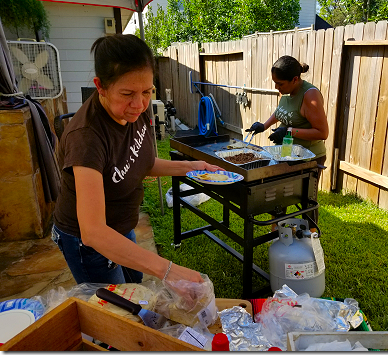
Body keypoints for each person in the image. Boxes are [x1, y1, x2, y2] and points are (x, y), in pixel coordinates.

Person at [52, 34, 223, 287]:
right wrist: (168, 270)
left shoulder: (136, 111)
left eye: (146, 91)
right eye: (127, 93)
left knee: (135, 287)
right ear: (100, 87)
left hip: (122, 226)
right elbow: (93, 231)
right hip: (86, 243)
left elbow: (142, 163)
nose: (139, 104)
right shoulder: (86, 137)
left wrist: (192, 167)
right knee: (118, 311)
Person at [246, 55, 329, 166]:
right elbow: (283, 112)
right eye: (275, 82)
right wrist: (264, 126)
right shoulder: (286, 90)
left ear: (294, 79)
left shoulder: (310, 95)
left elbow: (322, 133)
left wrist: (288, 131)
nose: (276, 87)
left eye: (280, 83)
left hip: (307, 159)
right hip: (286, 155)